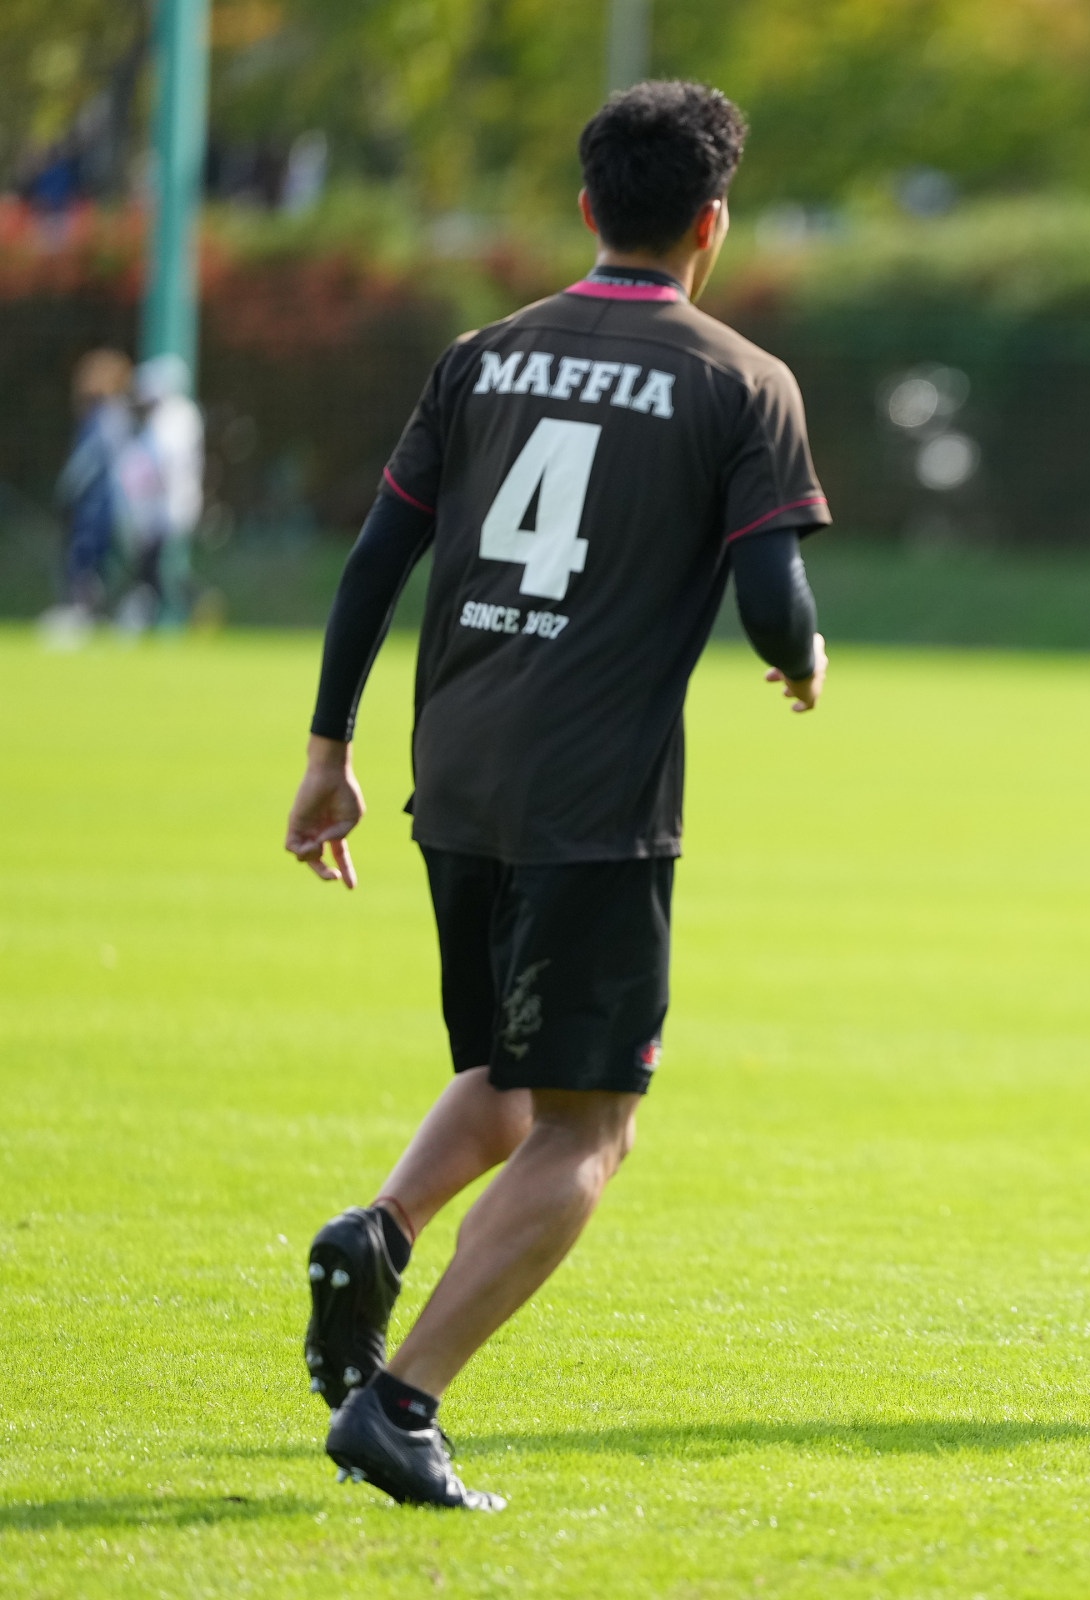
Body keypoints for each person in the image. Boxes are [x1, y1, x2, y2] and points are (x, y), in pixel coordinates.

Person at [281, 81, 832, 1509]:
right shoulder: (741, 380)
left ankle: (380, 1232)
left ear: (589, 208)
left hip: (457, 773)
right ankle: (404, 1403)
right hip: (594, 799)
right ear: (714, 223)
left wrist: (329, 752)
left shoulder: (481, 356)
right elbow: (773, 600)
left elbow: (375, 561)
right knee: (593, 1123)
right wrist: (800, 659)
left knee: (518, 1072)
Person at [114, 354, 206, 631]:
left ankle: (182, 605)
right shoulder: (168, 417)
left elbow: (162, 464)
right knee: (152, 567)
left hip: (167, 506)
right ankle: (187, 604)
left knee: (150, 565)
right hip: (160, 505)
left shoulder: (175, 417)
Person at [47, 348, 133, 634]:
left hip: (96, 506)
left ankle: (82, 614)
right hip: (107, 505)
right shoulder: (118, 417)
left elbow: (88, 462)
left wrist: (66, 493)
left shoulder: (105, 417)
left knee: (84, 559)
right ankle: (91, 614)